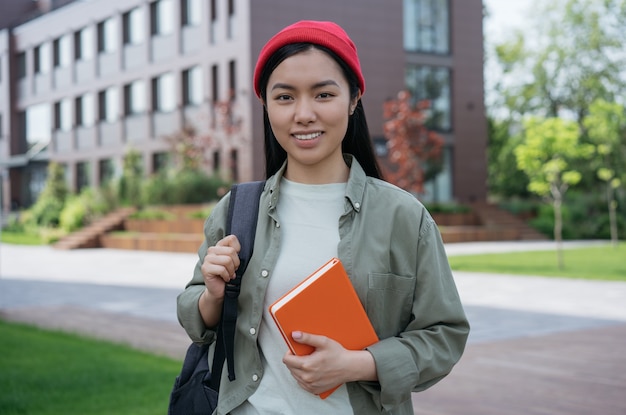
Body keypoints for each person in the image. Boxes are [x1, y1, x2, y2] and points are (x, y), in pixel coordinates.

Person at [176, 20, 470, 414]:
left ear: (353, 99)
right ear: (266, 105)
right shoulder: (236, 210)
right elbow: (194, 310)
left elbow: (444, 335)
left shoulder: (404, 217)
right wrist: (213, 295)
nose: (304, 114)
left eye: (323, 94)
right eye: (284, 97)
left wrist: (359, 364)